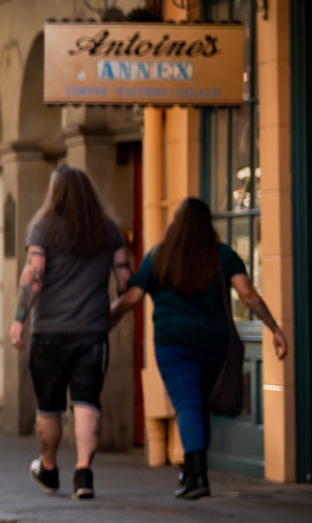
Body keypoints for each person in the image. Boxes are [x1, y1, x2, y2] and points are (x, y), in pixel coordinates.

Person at [110, 197, 288, 499]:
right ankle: (194, 472)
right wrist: (274, 328)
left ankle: (196, 475)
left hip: (173, 344)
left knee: (187, 405)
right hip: (213, 344)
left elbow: (132, 298)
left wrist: (106, 318)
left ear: (176, 226)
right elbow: (247, 294)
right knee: (197, 405)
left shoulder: (159, 257)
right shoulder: (222, 255)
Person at [7, 165, 131, 500]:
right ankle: (84, 474)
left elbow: (34, 276)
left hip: (49, 332)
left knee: (49, 406)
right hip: (92, 332)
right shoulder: (107, 230)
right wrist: (114, 312)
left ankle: (48, 468)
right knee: (87, 402)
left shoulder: (43, 228)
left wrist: (19, 320)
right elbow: (124, 281)